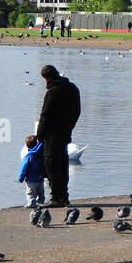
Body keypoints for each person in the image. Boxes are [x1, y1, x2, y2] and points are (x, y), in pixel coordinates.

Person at [36, 64, 81, 208]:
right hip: (65, 132)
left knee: (52, 166)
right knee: (63, 164)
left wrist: (39, 135)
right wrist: (70, 127)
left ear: (46, 79)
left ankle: (56, 198)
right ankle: (64, 196)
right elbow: (77, 111)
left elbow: (45, 115)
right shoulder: (72, 88)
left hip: (52, 135)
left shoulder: (52, 92)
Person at [18, 134, 46, 208]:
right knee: (41, 193)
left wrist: (20, 178)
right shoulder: (41, 154)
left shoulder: (28, 156)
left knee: (31, 193)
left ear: (27, 146)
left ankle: (31, 204)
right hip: (40, 179)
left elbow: (23, 168)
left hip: (31, 180)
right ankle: (40, 203)